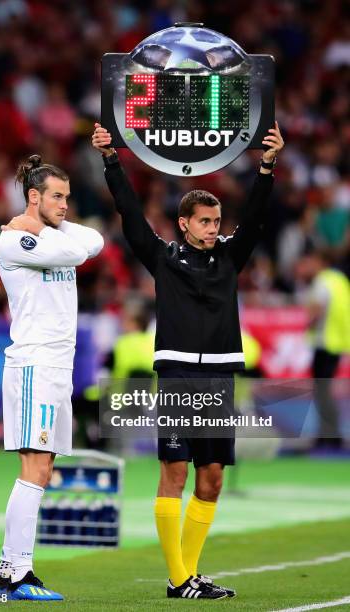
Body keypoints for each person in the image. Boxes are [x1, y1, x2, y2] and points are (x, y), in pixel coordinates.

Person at [92, 121, 284, 600]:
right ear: (184, 223)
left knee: (213, 479)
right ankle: (179, 578)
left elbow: (257, 217)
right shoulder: (163, 258)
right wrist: (112, 160)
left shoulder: (230, 257)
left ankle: (189, 574)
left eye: (217, 222)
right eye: (204, 222)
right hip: (178, 372)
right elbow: (130, 214)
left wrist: (267, 166)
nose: (213, 229)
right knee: (174, 471)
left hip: (219, 374)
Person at [0, 154, 104, 601]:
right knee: (34, 468)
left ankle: (11, 571)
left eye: (68, 197)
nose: (64, 206)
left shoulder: (39, 232)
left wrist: (42, 224)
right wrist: (42, 230)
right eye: (56, 197)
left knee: (44, 468)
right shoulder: (12, 243)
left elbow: (94, 240)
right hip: (34, 366)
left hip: (57, 368)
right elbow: (78, 252)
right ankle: (14, 573)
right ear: (33, 196)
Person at [301, 250, 350, 448]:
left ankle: (330, 434)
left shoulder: (322, 281)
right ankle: (330, 432)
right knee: (325, 389)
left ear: (319, 261)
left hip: (324, 342)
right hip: (338, 342)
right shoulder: (340, 280)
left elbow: (317, 309)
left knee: (322, 390)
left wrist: (308, 323)